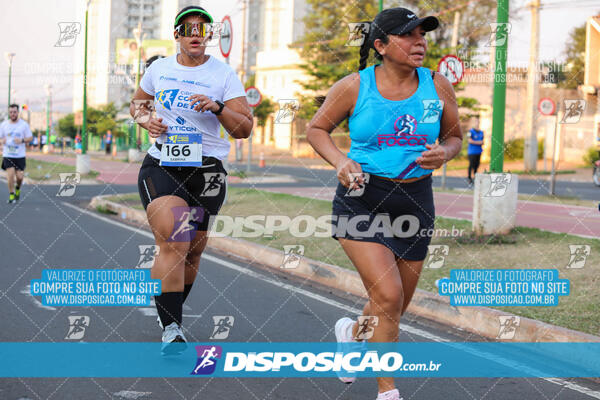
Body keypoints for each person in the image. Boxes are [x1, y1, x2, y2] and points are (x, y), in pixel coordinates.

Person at [306, 8, 462, 400]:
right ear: (380, 45)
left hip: (415, 200)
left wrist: (444, 152)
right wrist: (341, 161)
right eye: (409, 35)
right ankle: (387, 392)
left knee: (392, 305)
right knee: (388, 296)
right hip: (362, 198)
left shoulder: (438, 84)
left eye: (423, 35)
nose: (420, 42)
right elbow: (316, 128)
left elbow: (455, 136)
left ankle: (351, 335)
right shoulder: (354, 86)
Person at [130, 5, 252, 354]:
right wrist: (146, 120)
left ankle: (168, 307)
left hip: (208, 170)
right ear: (177, 36)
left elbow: (243, 129)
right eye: (188, 28)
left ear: (208, 36)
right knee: (175, 241)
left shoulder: (224, 74)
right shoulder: (159, 69)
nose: (195, 34)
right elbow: (137, 104)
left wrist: (217, 107)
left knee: (193, 252)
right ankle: (171, 327)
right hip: (163, 164)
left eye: (202, 29)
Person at [0, 104, 33, 203]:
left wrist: (22, 140)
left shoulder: (24, 125)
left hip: (20, 155)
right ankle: (11, 194)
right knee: (10, 175)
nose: (13, 114)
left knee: (20, 177)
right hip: (8, 154)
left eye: (14, 112)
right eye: (11, 112)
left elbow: (30, 138)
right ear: (9, 113)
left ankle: (18, 189)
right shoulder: (4, 124)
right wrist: (2, 141)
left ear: (18, 112)